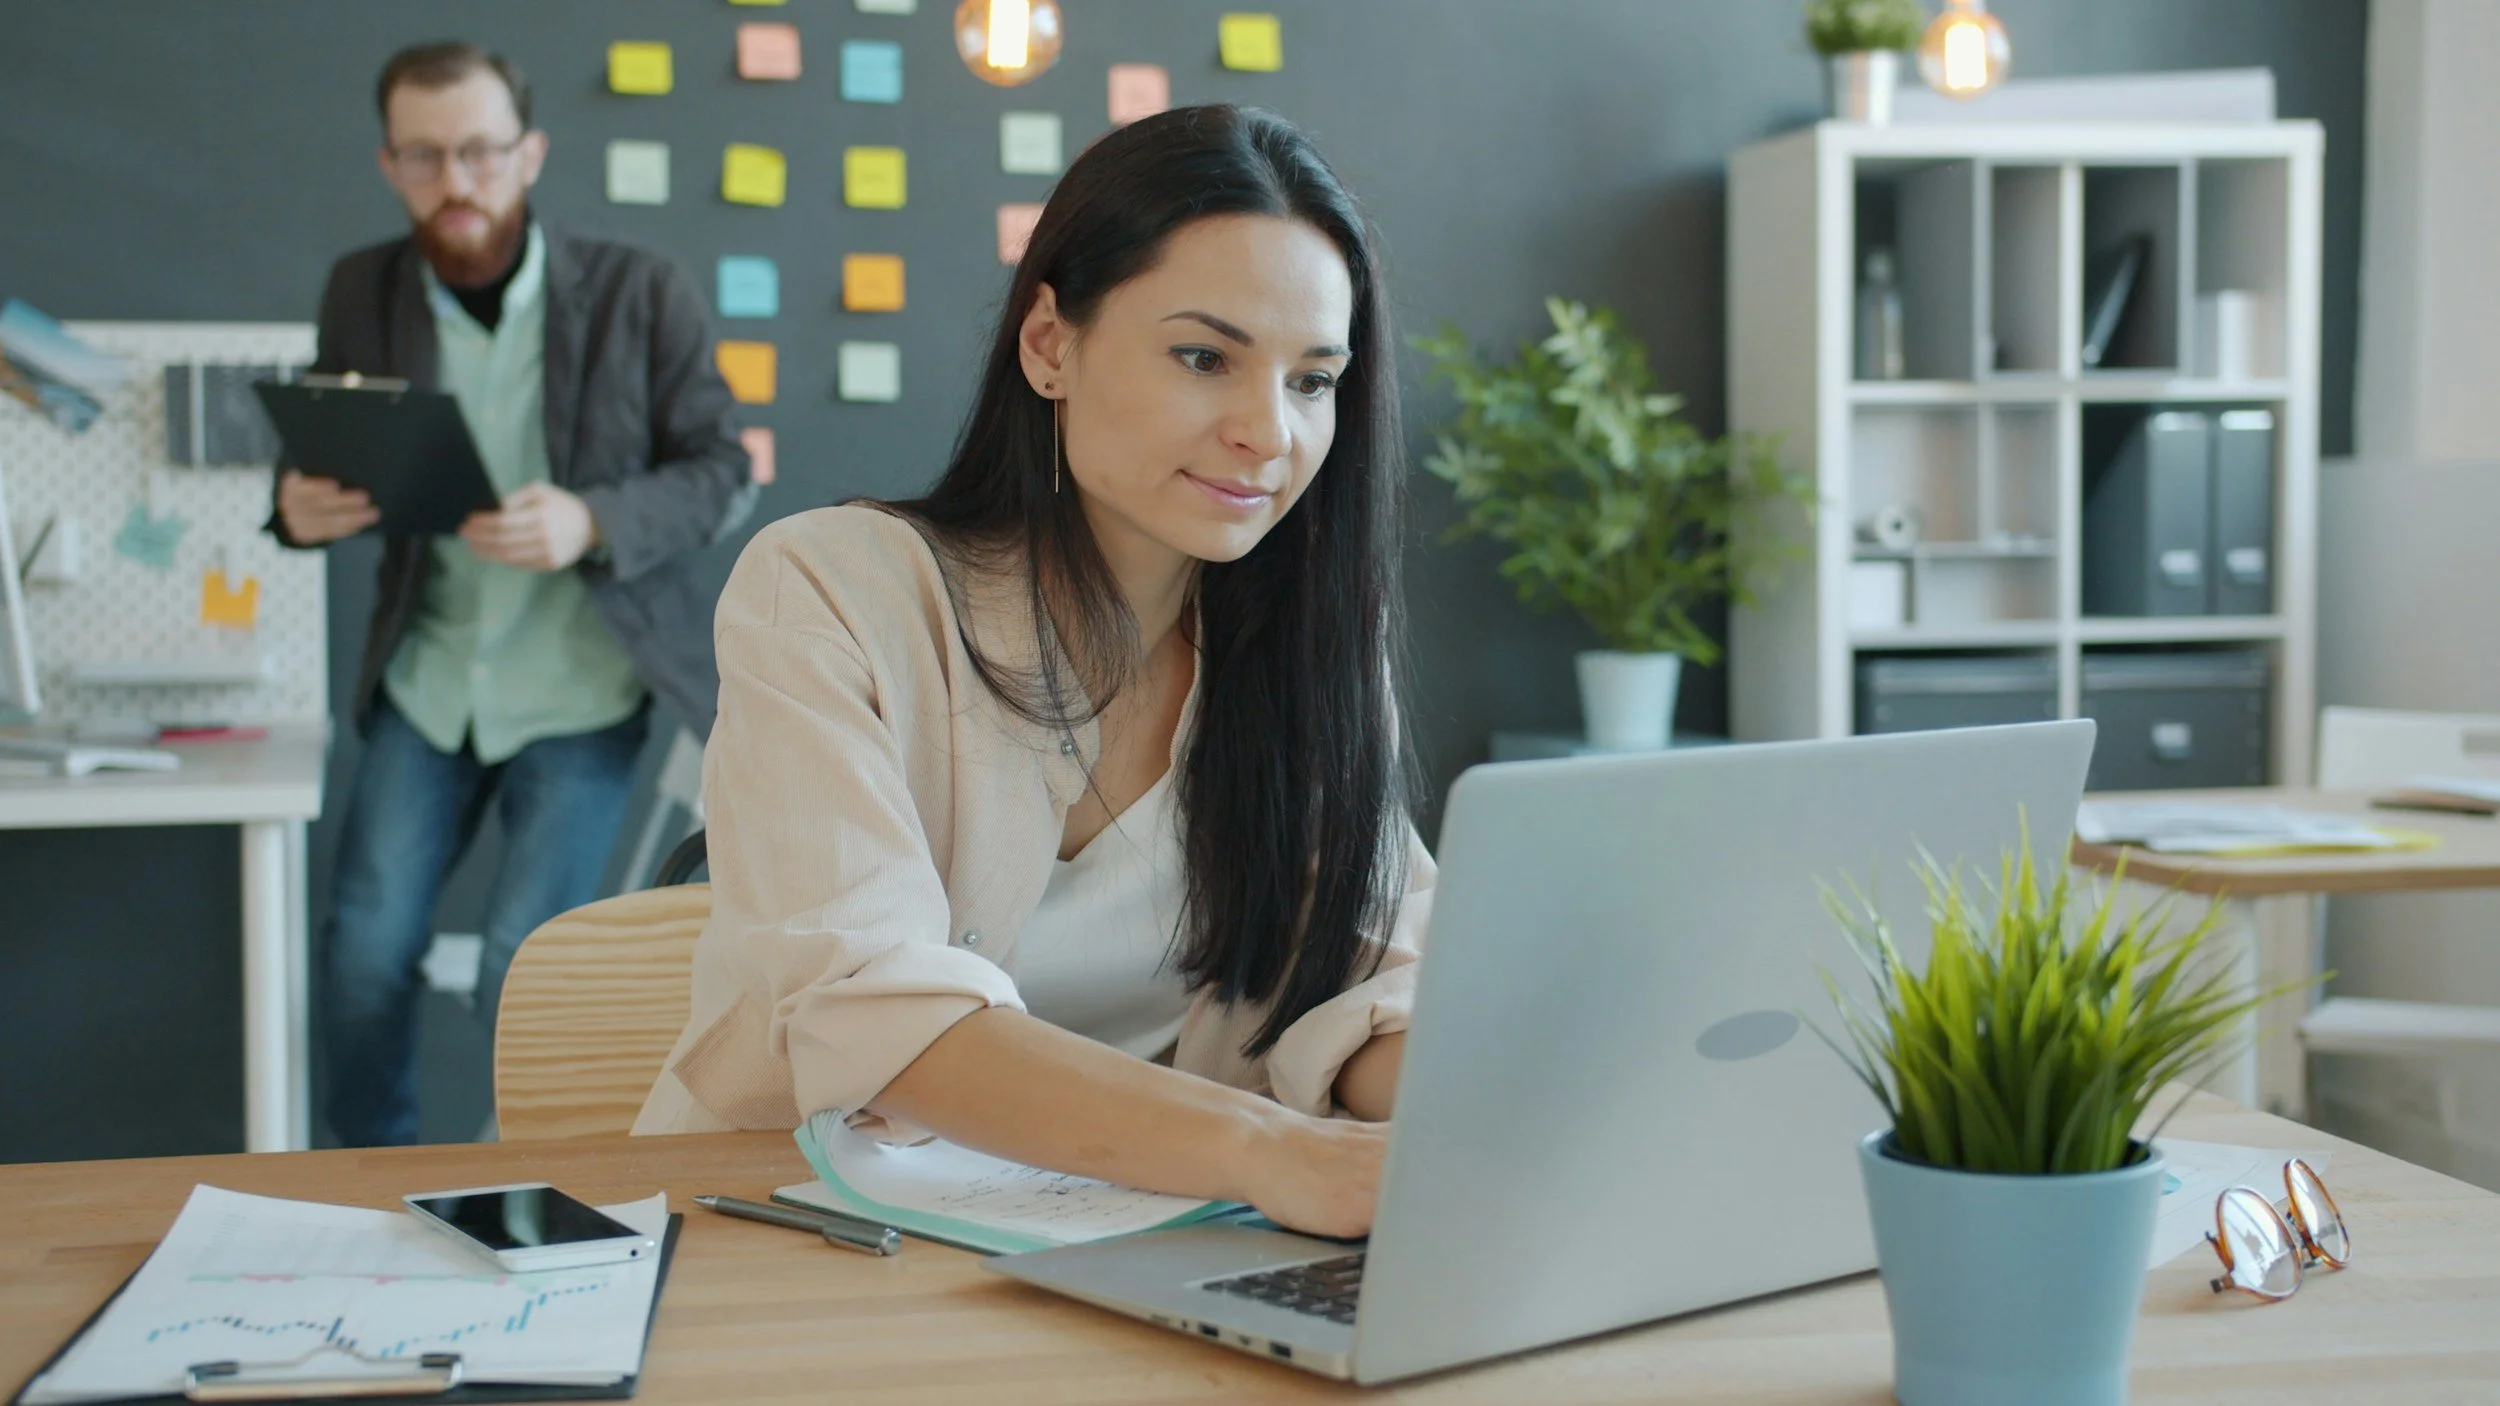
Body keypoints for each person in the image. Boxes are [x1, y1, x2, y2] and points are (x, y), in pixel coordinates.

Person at [634, 105, 1428, 1238]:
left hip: (1143, 1253)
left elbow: (1364, 985)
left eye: (1312, 380)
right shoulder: (829, 588)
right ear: (1050, 343)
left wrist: (1487, 1098)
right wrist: (1272, 1151)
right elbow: (879, 1016)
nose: (1269, 431)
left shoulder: (1311, 656)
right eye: (1204, 356)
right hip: (798, 1240)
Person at [270, 42, 754, 1147]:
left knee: (524, 977)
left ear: (528, 152)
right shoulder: (361, 287)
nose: (459, 180)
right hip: (428, 677)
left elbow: (721, 469)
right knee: (360, 955)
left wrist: (592, 519)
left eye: (482, 151)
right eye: (428, 156)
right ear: (391, 164)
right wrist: (294, 508)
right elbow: (331, 456)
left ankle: (531, 1200)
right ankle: (369, 1186)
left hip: (582, 687)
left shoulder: (640, 288)